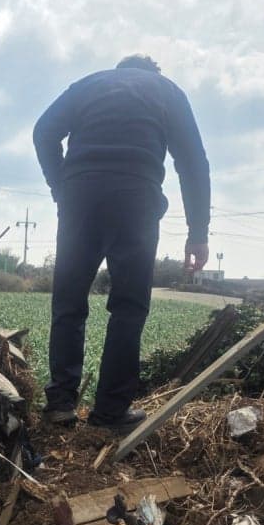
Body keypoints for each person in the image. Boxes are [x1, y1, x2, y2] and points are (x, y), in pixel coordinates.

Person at [33, 54, 210, 430]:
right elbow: (193, 163)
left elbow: (43, 131)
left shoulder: (89, 84)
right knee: (128, 306)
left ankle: (60, 404)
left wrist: (61, 187)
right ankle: (110, 414)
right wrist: (198, 232)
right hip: (136, 198)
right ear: (153, 72)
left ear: (120, 70)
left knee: (68, 301)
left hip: (81, 195)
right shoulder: (167, 91)